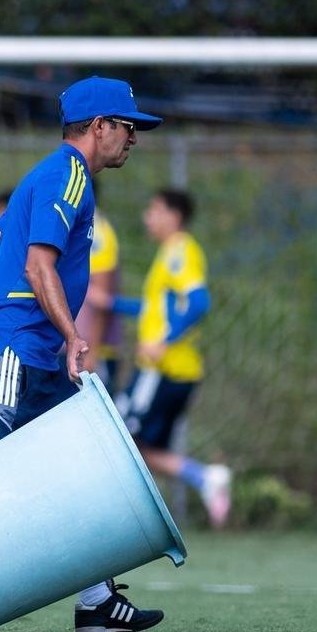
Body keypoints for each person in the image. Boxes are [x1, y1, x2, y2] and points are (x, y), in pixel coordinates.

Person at [0, 76, 167, 632]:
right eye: (128, 127)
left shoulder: (54, 175)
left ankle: (95, 601)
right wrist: (72, 336)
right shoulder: (67, 176)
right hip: (13, 349)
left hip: (31, 354)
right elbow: (37, 267)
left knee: (83, 464)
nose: (133, 138)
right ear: (99, 126)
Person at [99, 190, 231, 528]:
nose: (148, 217)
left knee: (119, 439)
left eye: (155, 209)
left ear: (175, 216)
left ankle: (197, 481)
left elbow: (199, 302)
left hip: (162, 370)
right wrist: (110, 303)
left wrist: (164, 342)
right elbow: (153, 309)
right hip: (167, 371)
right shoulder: (168, 254)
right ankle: (203, 478)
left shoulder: (179, 252)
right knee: (133, 445)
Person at [71, 180, 123, 389]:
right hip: (72, 349)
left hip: (89, 352)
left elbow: (102, 299)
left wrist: (93, 353)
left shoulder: (97, 233)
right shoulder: (74, 227)